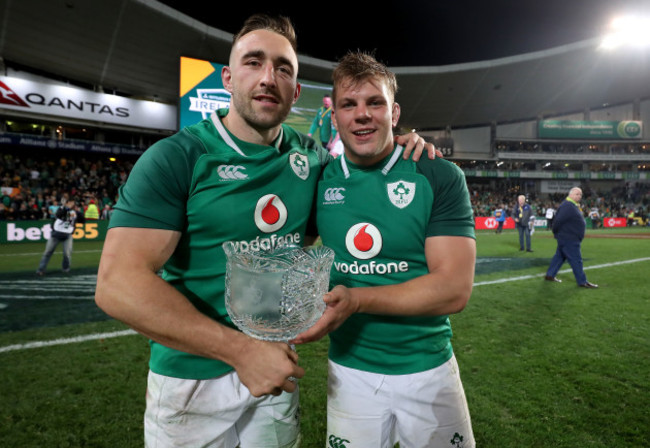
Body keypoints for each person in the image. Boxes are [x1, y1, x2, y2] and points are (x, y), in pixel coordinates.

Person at [94, 14, 434, 448]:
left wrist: (405, 143)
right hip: (191, 381)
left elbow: (364, 176)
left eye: (284, 68)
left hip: (274, 371)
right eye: (254, 62)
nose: (269, 78)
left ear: (295, 90)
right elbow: (117, 284)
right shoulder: (178, 157)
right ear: (228, 77)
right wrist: (239, 350)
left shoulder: (312, 161)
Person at [292, 51, 476, 447]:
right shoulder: (317, 179)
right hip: (350, 371)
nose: (362, 114)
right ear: (336, 117)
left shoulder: (436, 174)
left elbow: (454, 289)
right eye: (349, 104)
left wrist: (356, 300)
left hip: (428, 368)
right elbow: (290, 255)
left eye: (374, 102)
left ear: (394, 114)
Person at [545, 187, 598, 288]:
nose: (579, 196)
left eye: (580, 194)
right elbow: (557, 221)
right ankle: (582, 281)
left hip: (567, 237)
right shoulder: (568, 206)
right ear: (571, 195)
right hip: (569, 238)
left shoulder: (571, 205)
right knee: (576, 260)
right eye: (577, 194)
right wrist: (556, 232)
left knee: (559, 257)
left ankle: (550, 275)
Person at [36, 199, 83, 276]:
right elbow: (59, 215)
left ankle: (66, 269)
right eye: (70, 203)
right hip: (56, 234)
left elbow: (82, 221)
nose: (71, 204)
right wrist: (66, 207)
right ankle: (41, 270)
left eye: (73, 203)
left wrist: (79, 212)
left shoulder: (75, 213)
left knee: (67, 254)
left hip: (67, 235)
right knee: (47, 252)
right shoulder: (61, 209)